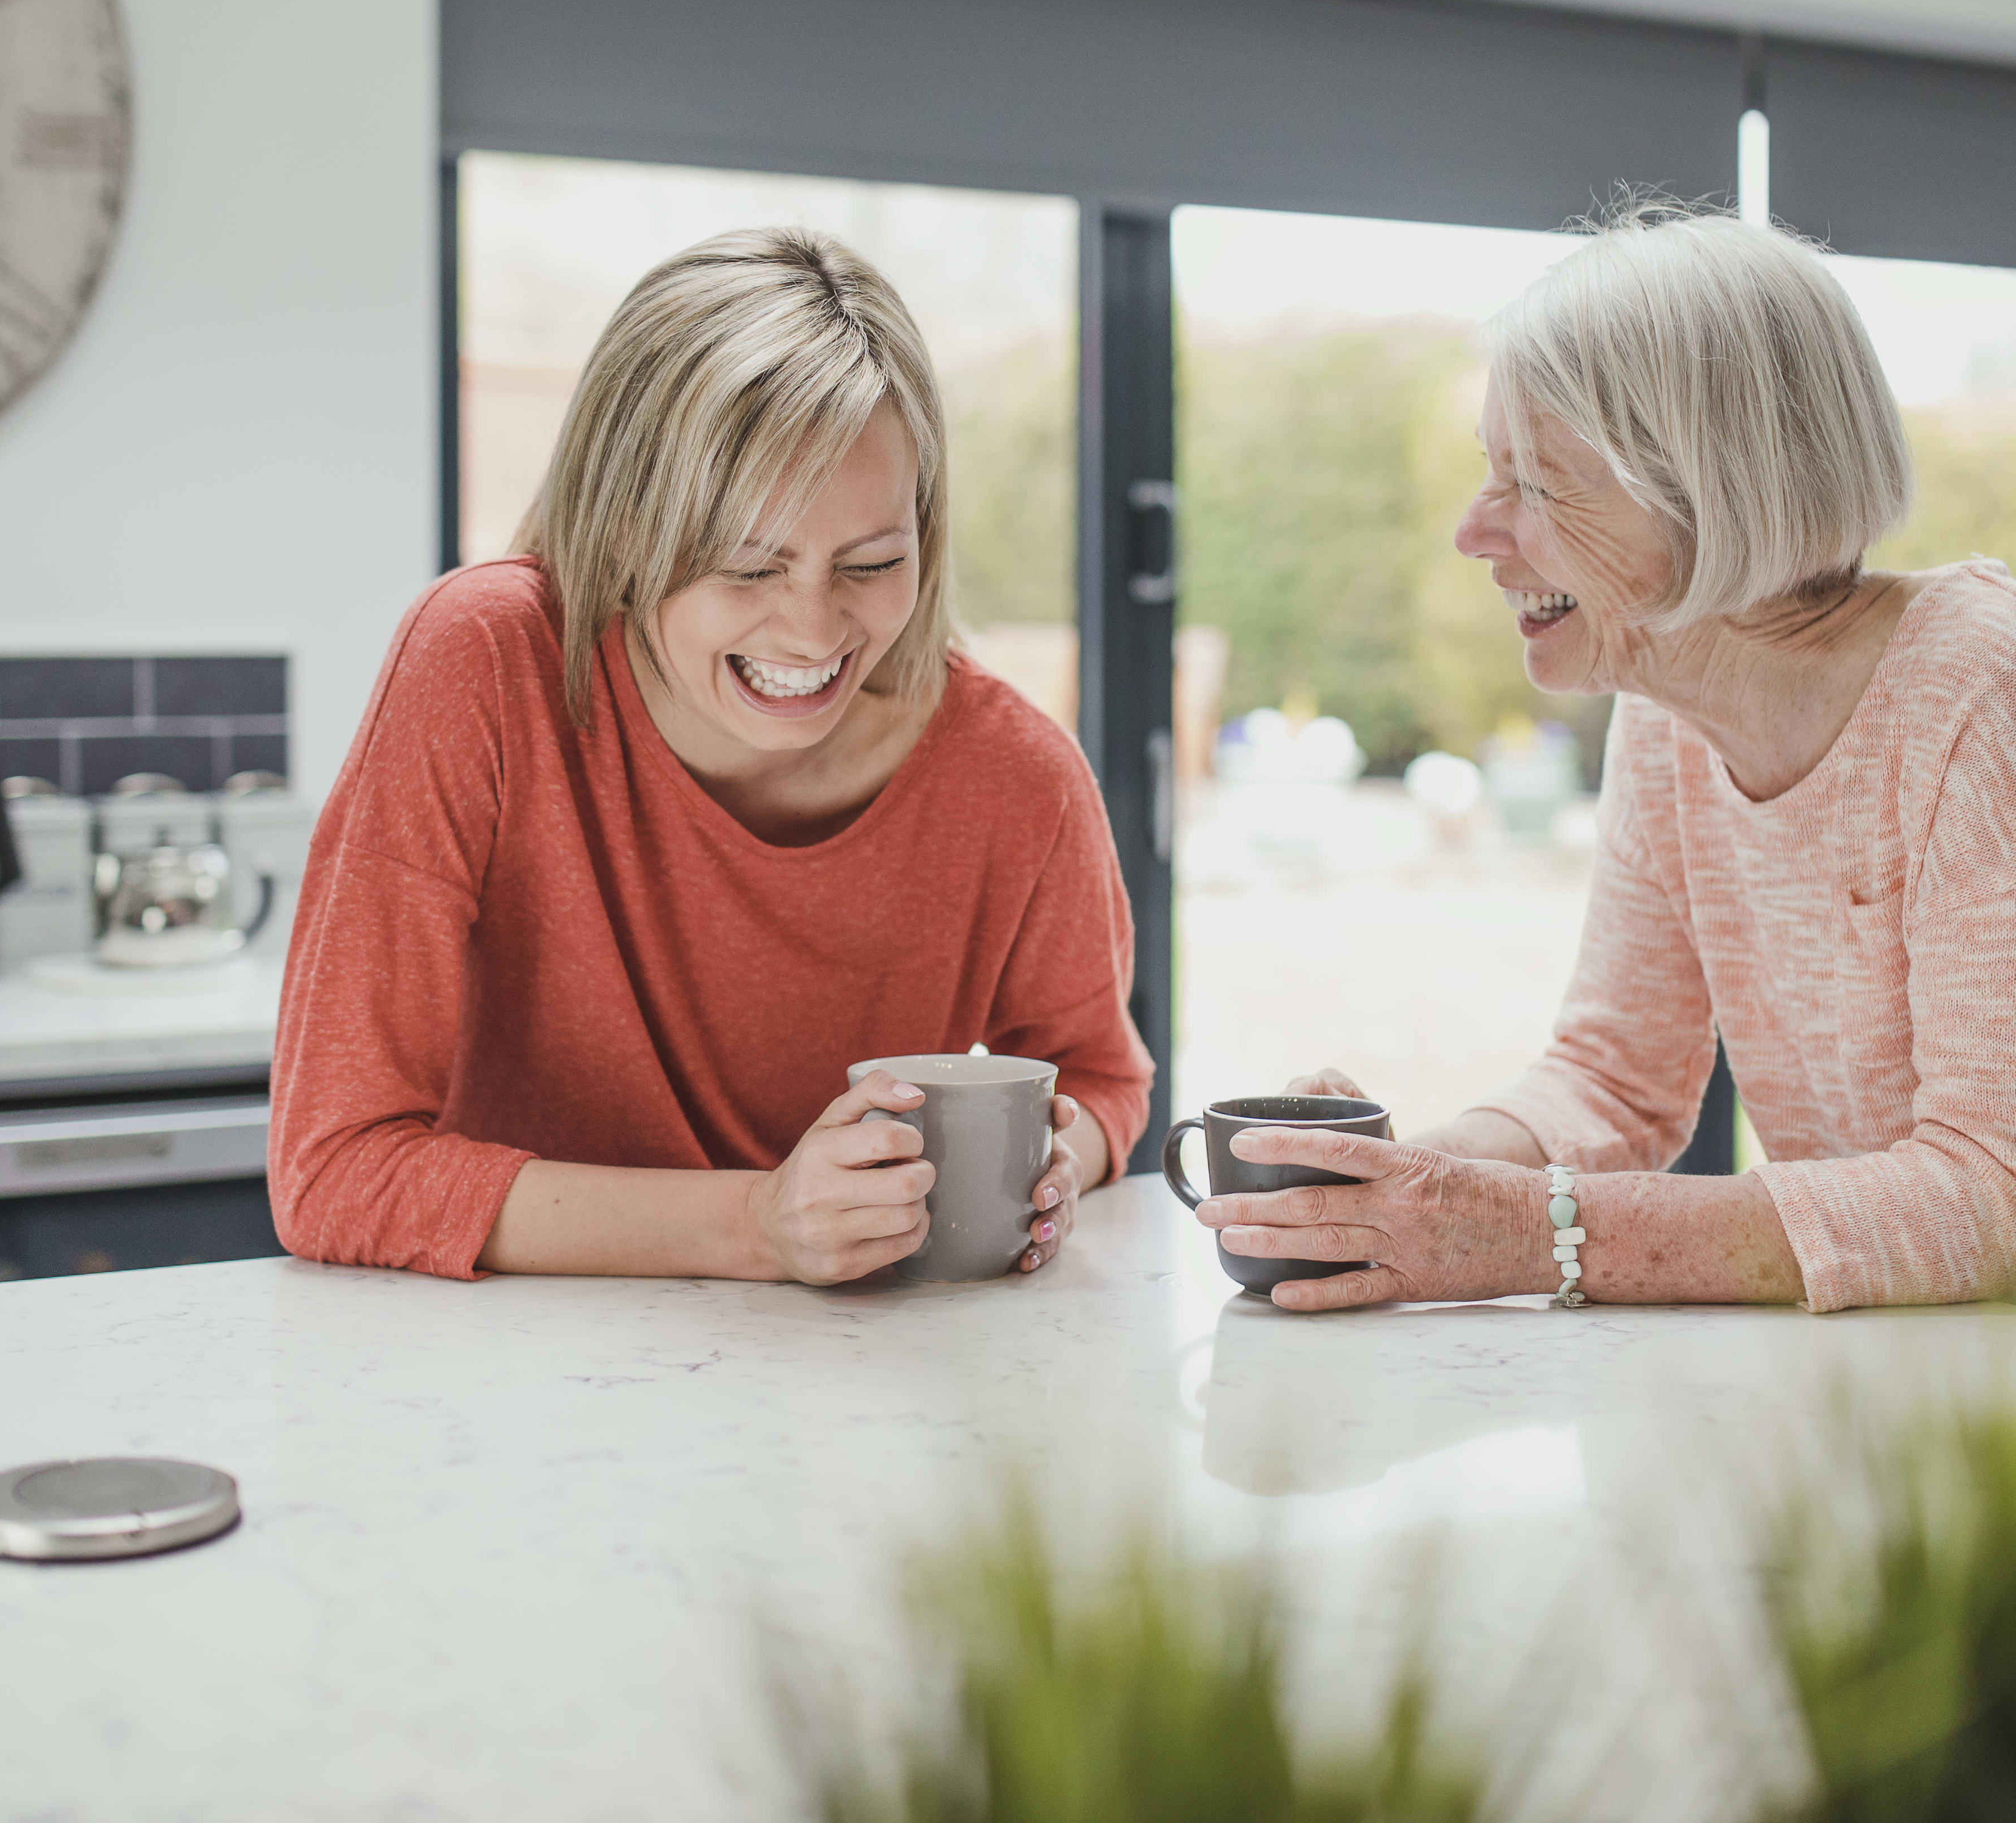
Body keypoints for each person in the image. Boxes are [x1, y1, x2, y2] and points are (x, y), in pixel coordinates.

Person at [270, 229, 1150, 1283]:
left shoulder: (1019, 779)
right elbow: (332, 1171)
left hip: (864, 1393)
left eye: (871, 563)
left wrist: (1055, 1159)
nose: (814, 632)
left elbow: (1102, 1079)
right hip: (511, 1378)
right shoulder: (484, 666)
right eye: (748, 567)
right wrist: (756, 1226)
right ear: (622, 530)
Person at [1195, 202, 2016, 1314]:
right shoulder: (1668, 709)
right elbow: (1612, 1080)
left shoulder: (1978, 692)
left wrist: (1534, 1235)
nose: (1474, 531)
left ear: (1707, 486)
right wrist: (1394, 1191)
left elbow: (1991, 1190)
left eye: (1533, 482)